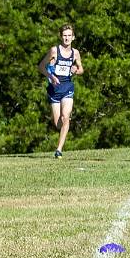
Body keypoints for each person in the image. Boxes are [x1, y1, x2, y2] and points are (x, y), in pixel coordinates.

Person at [38, 24, 84, 159]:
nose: (67, 38)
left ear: (73, 37)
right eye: (65, 35)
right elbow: (41, 67)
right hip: (54, 90)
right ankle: (64, 124)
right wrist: (51, 76)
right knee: (58, 123)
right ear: (60, 37)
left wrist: (76, 70)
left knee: (66, 116)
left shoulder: (75, 53)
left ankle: (59, 149)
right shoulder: (54, 51)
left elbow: (81, 69)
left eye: (69, 35)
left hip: (67, 88)